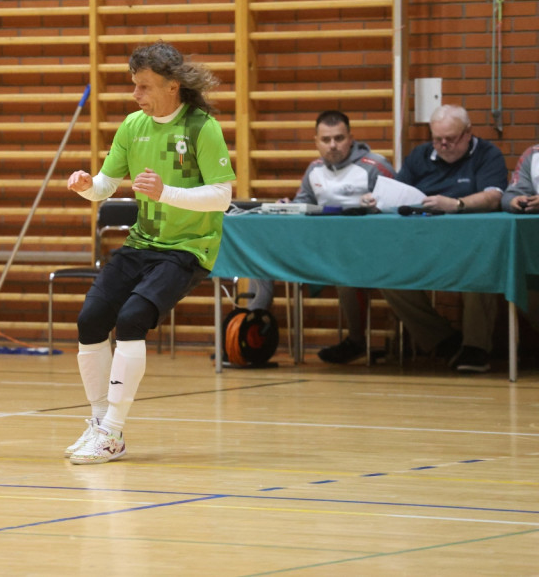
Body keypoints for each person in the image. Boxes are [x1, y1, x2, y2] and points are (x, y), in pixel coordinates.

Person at [64, 41, 235, 464]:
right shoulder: (132, 125)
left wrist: (166, 192)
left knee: (132, 319)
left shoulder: (201, 127)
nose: (136, 95)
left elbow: (221, 197)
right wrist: (88, 186)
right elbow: (107, 186)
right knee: (90, 319)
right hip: (143, 242)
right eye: (134, 86)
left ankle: (113, 431)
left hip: (188, 247)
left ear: (173, 86)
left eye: (144, 87)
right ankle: (102, 426)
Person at [365, 104, 508, 373]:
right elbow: (398, 190)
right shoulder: (420, 154)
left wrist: (456, 203)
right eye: (437, 139)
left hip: (472, 245)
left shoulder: (488, 154)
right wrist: (375, 199)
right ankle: (444, 341)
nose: (443, 145)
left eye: (450, 139)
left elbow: (494, 196)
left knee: (480, 270)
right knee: (385, 273)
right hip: (421, 242)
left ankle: (476, 349)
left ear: (468, 133)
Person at [249, 110, 396, 365]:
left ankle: (356, 342)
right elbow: (303, 206)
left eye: (339, 138)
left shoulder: (376, 166)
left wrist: (378, 205)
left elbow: (401, 207)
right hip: (320, 249)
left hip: (365, 251)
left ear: (351, 138)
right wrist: (288, 205)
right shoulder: (314, 170)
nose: (333, 145)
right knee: (261, 258)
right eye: (326, 140)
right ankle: (247, 333)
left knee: (347, 276)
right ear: (316, 141)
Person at [502, 143, 539, 333]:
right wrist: (515, 202)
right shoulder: (533, 154)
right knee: (521, 286)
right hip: (535, 249)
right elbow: (510, 194)